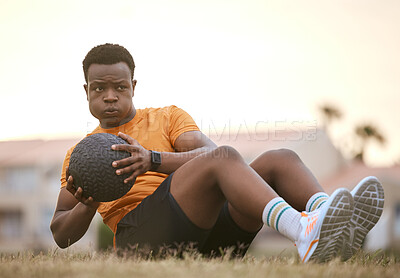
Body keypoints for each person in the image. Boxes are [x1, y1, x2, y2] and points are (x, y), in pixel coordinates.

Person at [50, 43, 384, 262]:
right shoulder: (79, 155)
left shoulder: (168, 117)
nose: (110, 96)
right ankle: (302, 231)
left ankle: (327, 218)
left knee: (279, 159)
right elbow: (61, 234)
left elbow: (214, 155)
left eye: (119, 87)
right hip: (142, 242)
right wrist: (87, 203)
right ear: (87, 91)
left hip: (206, 237)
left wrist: (151, 160)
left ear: (133, 87)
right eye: (99, 88)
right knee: (222, 159)